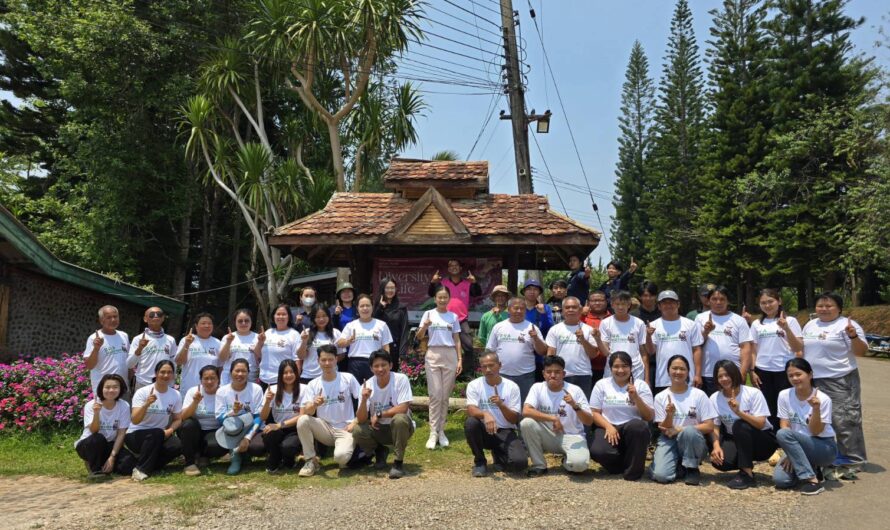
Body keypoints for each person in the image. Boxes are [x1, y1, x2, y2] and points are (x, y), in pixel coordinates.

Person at [801, 291, 867, 480]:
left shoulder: (847, 325)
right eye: (820, 305)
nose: (824, 309)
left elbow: (862, 352)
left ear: (839, 308)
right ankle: (827, 454)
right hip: (815, 380)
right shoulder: (810, 325)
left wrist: (853, 336)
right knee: (817, 418)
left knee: (846, 419)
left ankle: (852, 460)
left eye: (829, 305)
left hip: (841, 379)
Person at [773, 358, 838, 495]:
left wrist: (816, 409)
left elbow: (815, 431)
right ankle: (811, 468)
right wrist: (791, 453)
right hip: (797, 445)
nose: (795, 378)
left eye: (798, 374)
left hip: (823, 447)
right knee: (781, 480)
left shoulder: (823, 399)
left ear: (810, 374)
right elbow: (784, 424)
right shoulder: (784, 395)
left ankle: (812, 480)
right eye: (791, 375)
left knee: (782, 434)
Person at [520, 355, 593, 476]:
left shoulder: (575, 390)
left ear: (564, 374)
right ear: (543, 373)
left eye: (557, 372)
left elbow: (589, 421)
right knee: (526, 423)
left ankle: (567, 460)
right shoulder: (537, 387)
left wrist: (575, 406)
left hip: (572, 436)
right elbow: (526, 411)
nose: (553, 375)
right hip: (548, 435)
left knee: (580, 466)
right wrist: (553, 418)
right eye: (549, 372)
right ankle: (539, 465)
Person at [708, 360, 776, 489]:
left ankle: (746, 473)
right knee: (720, 463)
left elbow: (761, 424)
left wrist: (739, 412)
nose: (724, 379)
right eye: (720, 376)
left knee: (740, 425)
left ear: (735, 374)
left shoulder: (752, 393)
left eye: (727, 375)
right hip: (735, 439)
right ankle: (744, 461)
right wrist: (716, 446)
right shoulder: (714, 398)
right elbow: (715, 426)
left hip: (762, 440)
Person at [649, 355, 716, 485]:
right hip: (669, 438)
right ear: (668, 370)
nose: (678, 372)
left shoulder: (699, 395)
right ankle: (678, 466)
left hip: (692, 440)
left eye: (682, 369)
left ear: (688, 372)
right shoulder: (660, 397)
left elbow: (709, 426)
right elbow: (663, 429)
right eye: (674, 368)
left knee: (689, 431)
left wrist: (680, 429)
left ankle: (692, 468)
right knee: (661, 476)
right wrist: (669, 415)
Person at [588, 352, 654, 481]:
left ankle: (633, 472)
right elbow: (594, 412)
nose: (620, 370)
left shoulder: (641, 385)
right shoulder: (601, 385)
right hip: (609, 427)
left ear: (631, 368)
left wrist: (636, 398)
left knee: (638, 426)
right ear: (610, 368)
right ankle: (619, 466)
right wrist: (608, 426)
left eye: (624, 366)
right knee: (597, 451)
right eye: (616, 366)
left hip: (632, 429)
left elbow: (649, 416)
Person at [297, 345, 361, 476]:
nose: (327, 363)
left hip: (345, 428)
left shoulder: (348, 378)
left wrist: (355, 421)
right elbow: (307, 411)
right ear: (318, 361)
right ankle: (310, 460)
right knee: (302, 420)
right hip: (324, 429)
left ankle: (350, 450)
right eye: (324, 360)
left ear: (336, 359)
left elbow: (363, 400)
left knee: (341, 458)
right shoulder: (313, 384)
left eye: (330, 359)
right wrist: (314, 404)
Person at [464, 352, 528, 477]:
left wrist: (501, 405)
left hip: (505, 430)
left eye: (491, 365)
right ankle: (480, 462)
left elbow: (514, 419)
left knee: (520, 464)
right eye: (484, 366)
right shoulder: (474, 385)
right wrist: (485, 414)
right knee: (471, 423)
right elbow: (471, 410)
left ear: (499, 365)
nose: (488, 369)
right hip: (484, 430)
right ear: (480, 368)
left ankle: (498, 455)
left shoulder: (512, 387)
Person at [353, 350, 414, 479]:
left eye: (383, 365)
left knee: (399, 419)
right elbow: (361, 419)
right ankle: (379, 451)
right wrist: (364, 400)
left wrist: (380, 414)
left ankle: (398, 463)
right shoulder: (367, 385)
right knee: (358, 430)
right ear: (371, 368)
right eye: (376, 366)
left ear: (391, 365)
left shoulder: (400, 379)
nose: (380, 369)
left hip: (400, 427)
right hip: (379, 429)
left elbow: (403, 407)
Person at [415, 285, 462, 449]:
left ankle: (441, 431)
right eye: (439, 297)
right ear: (435, 299)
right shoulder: (428, 314)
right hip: (433, 354)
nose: (442, 300)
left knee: (444, 396)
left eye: (445, 297)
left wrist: (460, 359)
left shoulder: (453, 317)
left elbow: (456, 339)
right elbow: (419, 336)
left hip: (450, 355)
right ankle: (432, 432)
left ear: (449, 298)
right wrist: (425, 326)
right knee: (435, 395)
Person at [750, 288, 803, 430]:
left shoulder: (790, 321)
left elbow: (798, 347)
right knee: (768, 408)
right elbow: (753, 350)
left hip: (784, 371)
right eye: (763, 303)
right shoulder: (756, 324)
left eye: (770, 301)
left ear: (779, 301)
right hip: (763, 371)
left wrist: (786, 328)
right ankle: (773, 443)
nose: (767, 305)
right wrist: (752, 370)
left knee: (786, 408)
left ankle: (787, 438)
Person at [126, 360, 183, 481]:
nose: (166, 375)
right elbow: (135, 420)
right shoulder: (143, 392)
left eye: (169, 372)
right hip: (136, 435)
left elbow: (178, 419)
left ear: (173, 375)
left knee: (177, 445)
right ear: (156, 373)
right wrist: (146, 404)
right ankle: (141, 470)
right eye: (162, 372)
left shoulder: (175, 395)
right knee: (156, 432)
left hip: (159, 435)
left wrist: (170, 430)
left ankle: (146, 464)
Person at [485, 297, 548, 403]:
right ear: (509, 309)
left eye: (522, 308)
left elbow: (542, 351)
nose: (519, 311)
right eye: (516, 308)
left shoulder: (532, 328)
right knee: (502, 404)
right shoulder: (498, 327)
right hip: (501, 374)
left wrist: (536, 338)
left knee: (525, 405)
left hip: (526, 375)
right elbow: (490, 350)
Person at [695, 286, 753, 396]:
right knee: (710, 408)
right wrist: (706, 332)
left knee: (734, 406)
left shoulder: (738, 320)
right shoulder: (700, 318)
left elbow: (745, 347)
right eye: (714, 299)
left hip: (733, 373)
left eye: (722, 299)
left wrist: (743, 372)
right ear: (708, 301)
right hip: (708, 373)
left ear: (728, 301)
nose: (718, 302)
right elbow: (696, 346)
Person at [75, 374, 135, 479]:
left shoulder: (124, 405)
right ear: (101, 388)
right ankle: (95, 470)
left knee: (129, 465)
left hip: (109, 445)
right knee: (98, 438)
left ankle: (105, 465)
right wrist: (97, 413)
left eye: (115, 387)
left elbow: (121, 433)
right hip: (89, 444)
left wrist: (112, 457)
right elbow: (94, 430)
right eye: (107, 387)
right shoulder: (91, 405)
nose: (111, 390)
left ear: (120, 389)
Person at [428, 259, 482, 372]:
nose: (454, 267)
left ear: (460, 268)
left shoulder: (467, 283)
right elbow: (431, 293)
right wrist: (433, 282)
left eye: (456, 265)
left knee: (468, 347)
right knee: (445, 346)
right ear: (448, 269)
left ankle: (466, 373)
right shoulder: (443, 283)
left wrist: (474, 282)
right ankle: (448, 371)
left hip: (462, 321)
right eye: (451, 266)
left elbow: (477, 293)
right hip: (444, 319)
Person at [646, 290, 704, 394]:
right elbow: (651, 352)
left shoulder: (690, 324)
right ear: (659, 306)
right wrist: (648, 337)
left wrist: (698, 375)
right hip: (663, 379)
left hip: (687, 377)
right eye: (664, 303)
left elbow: (697, 349)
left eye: (671, 302)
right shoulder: (653, 325)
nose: (668, 305)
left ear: (678, 304)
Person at [215, 358, 266, 474]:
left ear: (248, 373)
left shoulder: (256, 389)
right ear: (231, 372)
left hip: (251, 427)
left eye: (244, 371)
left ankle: (245, 452)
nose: (240, 374)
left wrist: (248, 437)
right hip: (232, 429)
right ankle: (235, 457)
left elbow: (259, 417)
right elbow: (219, 418)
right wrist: (233, 412)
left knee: (257, 447)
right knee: (231, 428)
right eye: (237, 371)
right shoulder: (222, 391)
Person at [544, 296, 598, 397]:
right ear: (562, 311)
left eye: (574, 307)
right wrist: (549, 374)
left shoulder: (588, 329)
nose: (571, 310)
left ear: (581, 310)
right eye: (567, 307)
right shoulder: (555, 329)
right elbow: (550, 354)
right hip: (560, 374)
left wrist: (583, 340)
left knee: (582, 408)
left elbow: (593, 354)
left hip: (583, 375)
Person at [179, 365, 227, 476]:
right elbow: (184, 416)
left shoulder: (224, 392)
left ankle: (202, 456)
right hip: (195, 430)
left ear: (218, 379)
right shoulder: (193, 391)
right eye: (206, 378)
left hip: (214, 430)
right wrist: (195, 402)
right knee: (188, 425)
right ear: (201, 380)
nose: (209, 381)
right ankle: (190, 463)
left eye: (213, 378)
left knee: (215, 447)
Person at [260, 359, 304, 473]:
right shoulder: (272, 389)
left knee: (288, 447)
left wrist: (280, 425)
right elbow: (263, 417)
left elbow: (303, 415)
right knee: (269, 433)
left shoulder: (304, 388)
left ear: (296, 373)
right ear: (280, 375)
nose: (288, 375)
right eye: (285, 373)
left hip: (295, 429)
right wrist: (267, 401)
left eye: (291, 372)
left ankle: (289, 460)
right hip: (278, 429)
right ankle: (275, 458)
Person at [337, 294, 393, 384]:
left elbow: (386, 347)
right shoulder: (351, 325)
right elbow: (339, 343)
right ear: (357, 308)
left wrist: (385, 363)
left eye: (367, 305)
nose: (365, 308)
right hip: (355, 364)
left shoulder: (381, 325)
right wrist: (348, 341)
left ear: (372, 307)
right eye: (362, 306)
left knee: (374, 391)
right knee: (355, 394)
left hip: (375, 363)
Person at [598, 291, 649, 384]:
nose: (620, 307)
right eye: (617, 304)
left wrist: (647, 378)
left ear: (629, 304)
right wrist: (597, 339)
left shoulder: (639, 323)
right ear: (612, 304)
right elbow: (605, 352)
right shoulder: (605, 323)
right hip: (613, 368)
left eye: (623, 304)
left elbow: (643, 352)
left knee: (634, 396)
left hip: (636, 369)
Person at [83, 305, 130, 399]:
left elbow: (128, 360)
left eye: (115, 316)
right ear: (101, 320)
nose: (113, 319)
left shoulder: (124, 336)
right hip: (104, 388)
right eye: (108, 317)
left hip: (122, 387)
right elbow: (89, 365)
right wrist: (96, 348)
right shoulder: (94, 338)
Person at [126, 307, 177, 393]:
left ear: (163, 318)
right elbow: (130, 365)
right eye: (152, 315)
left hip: (164, 383)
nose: (156, 316)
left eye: (159, 314)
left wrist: (172, 382)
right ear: (145, 319)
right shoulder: (138, 339)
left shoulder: (170, 340)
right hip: (143, 383)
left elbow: (173, 363)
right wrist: (139, 349)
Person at [175, 313, 221, 394]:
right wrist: (187, 344)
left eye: (209, 323)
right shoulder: (187, 340)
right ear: (196, 326)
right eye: (203, 323)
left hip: (211, 389)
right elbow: (179, 362)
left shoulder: (217, 343)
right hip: (189, 388)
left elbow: (220, 367)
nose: (207, 326)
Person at [298, 304, 344, 385]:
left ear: (329, 317)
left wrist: (327, 363)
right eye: (318, 317)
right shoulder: (306, 333)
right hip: (309, 376)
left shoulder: (336, 333)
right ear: (313, 319)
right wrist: (304, 341)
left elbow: (341, 354)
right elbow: (301, 356)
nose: (321, 319)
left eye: (324, 316)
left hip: (330, 376)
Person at [259, 304, 300, 389]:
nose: (280, 317)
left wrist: (295, 381)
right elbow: (258, 355)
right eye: (278, 314)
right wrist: (260, 342)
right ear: (273, 316)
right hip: (264, 379)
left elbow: (297, 361)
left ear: (289, 317)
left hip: (283, 380)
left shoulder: (294, 334)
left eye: (284, 314)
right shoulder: (268, 332)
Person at [373, 277, 409, 372]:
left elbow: (404, 331)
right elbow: (372, 323)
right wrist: (380, 307)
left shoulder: (401, 308)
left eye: (392, 288)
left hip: (394, 349)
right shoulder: (376, 306)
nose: (390, 290)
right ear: (382, 289)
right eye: (387, 288)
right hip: (377, 347)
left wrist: (402, 353)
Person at [218, 309, 262, 385]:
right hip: (229, 379)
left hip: (250, 379)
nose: (243, 323)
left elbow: (262, 358)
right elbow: (222, 358)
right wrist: (228, 342)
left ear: (251, 322)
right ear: (235, 322)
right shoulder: (227, 337)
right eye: (240, 321)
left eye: (247, 320)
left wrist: (260, 343)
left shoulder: (258, 338)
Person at [632, 281, 661, 390]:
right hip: (640, 362)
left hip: (661, 360)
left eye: (651, 295)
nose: (648, 298)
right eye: (645, 295)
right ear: (639, 297)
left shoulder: (663, 313)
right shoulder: (633, 316)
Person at [581, 291, 611, 385]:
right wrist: (581, 315)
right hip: (588, 366)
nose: (597, 303)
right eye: (594, 301)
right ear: (588, 302)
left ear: (606, 302)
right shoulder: (583, 318)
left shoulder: (613, 317)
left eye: (601, 300)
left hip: (610, 366)